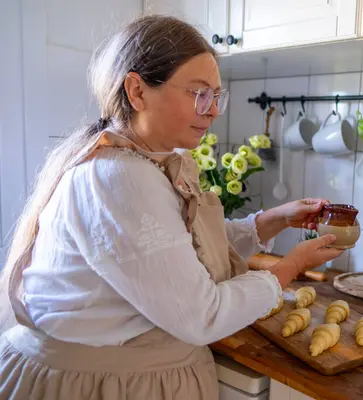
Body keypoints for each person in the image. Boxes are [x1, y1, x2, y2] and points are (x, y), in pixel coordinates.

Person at [0, 15, 343, 399]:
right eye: (199, 93)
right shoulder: (121, 178)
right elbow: (202, 315)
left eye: (217, 96)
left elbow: (176, 247)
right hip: (96, 385)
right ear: (137, 91)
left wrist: (273, 220)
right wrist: (291, 266)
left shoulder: (142, 163)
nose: (212, 109)